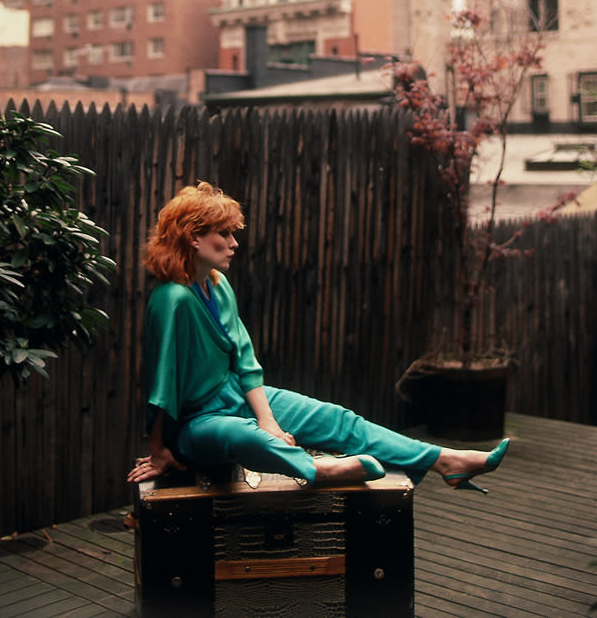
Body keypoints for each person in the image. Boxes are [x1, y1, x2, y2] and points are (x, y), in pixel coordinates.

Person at [127, 182, 509, 492]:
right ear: (193, 238)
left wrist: (270, 420)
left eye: (232, 234)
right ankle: (316, 470)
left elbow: (246, 362)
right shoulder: (171, 299)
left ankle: (446, 461)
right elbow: (160, 387)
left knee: (336, 419)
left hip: (238, 396)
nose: (233, 243)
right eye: (223, 234)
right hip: (198, 423)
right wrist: (159, 450)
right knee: (244, 437)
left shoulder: (218, 284)